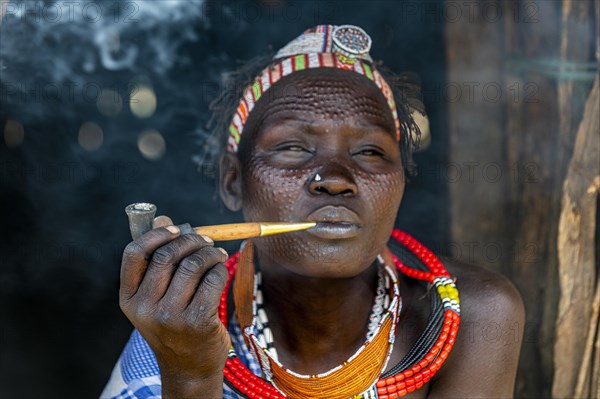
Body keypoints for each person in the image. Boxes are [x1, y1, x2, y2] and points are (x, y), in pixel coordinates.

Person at [101, 25, 524, 399]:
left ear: (400, 184)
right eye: (293, 147)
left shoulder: (474, 313)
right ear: (233, 181)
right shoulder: (180, 326)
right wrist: (191, 375)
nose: (335, 178)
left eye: (370, 151)